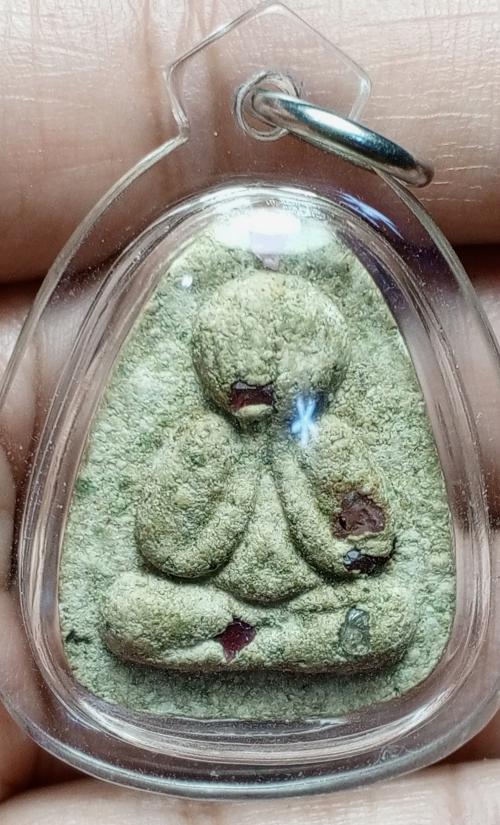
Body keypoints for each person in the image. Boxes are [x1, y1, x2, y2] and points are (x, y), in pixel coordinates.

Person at [1, 1, 500, 821]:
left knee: (394, 616)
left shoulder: (331, 440)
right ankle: (244, 641)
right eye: (245, 362)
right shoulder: (202, 439)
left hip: (315, 611)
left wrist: (311, 480)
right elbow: (167, 549)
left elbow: (367, 553)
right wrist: (227, 475)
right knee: (125, 609)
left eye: (282, 363)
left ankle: (262, 645)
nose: (260, 379)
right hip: (203, 604)